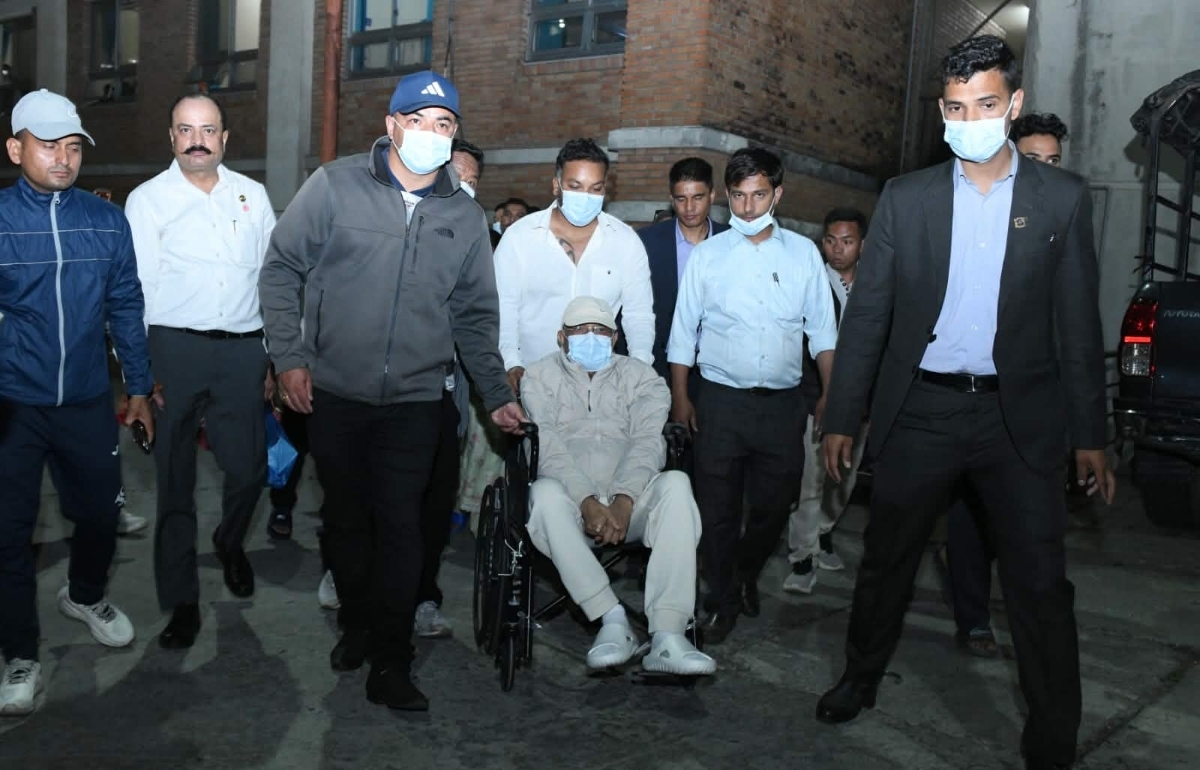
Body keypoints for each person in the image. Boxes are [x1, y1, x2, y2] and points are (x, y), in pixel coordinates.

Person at [816, 37, 1114, 770]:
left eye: (985, 105)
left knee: (1040, 583)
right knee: (887, 559)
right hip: (924, 409)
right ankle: (860, 676)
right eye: (954, 108)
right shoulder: (906, 197)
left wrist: (1091, 434)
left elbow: (1078, 326)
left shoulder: (1061, 198)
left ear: (1013, 104)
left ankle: (1053, 733)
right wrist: (842, 417)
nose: (969, 120)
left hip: (1018, 419)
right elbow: (869, 317)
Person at [259, 69, 525, 712]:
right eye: (418, 120)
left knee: (403, 528)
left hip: (415, 399)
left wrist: (494, 393)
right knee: (347, 525)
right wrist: (290, 358)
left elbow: (474, 317)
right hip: (336, 393)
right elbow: (281, 268)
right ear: (391, 125)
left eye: (443, 124)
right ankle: (356, 624)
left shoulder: (464, 216)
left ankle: (392, 659)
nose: (431, 133)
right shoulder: (335, 186)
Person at [0, 89, 153, 715]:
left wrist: (138, 386)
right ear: (15, 150)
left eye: (72, 147)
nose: (62, 158)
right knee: (10, 535)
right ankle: (20, 654)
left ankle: (85, 594)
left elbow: (126, 306)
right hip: (12, 405)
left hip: (88, 400)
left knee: (98, 515)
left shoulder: (106, 221)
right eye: (47, 145)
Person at [124, 93, 276, 650]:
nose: (197, 140)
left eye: (208, 130)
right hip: (173, 352)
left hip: (242, 351)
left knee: (250, 470)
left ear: (224, 138)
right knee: (175, 483)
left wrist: (273, 356)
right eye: (185, 129)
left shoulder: (253, 195)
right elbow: (135, 291)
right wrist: (140, 376)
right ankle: (182, 601)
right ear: (171, 137)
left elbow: (272, 279)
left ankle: (229, 541)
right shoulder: (148, 200)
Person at [668, 147, 837, 645]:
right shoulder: (709, 256)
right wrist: (681, 397)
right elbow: (683, 332)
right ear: (727, 196)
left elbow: (823, 333)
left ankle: (743, 571)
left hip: (783, 406)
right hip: (720, 402)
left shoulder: (804, 254)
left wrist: (831, 394)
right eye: (739, 196)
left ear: (777, 194)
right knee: (716, 509)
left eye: (758, 195)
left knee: (776, 504)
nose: (747, 207)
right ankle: (722, 598)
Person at [521, 297, 715, 676]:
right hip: (569, 504)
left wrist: (624, 500)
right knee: (542, 496)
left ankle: (668, 635)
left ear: (614, 338)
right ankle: (611, 618)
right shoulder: (539, 377)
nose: (590, 337)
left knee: (677, 484)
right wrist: (586, 501)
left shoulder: (642, 378)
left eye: (600, 330)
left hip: (631, 500)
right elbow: (548, 447)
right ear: (561, 337)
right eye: (579, 330)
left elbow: (648, 442)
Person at [495, 138, 655, 396]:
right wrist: (511, 364)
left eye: (595, 188)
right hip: (532, 381)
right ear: (556, 185)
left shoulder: (625, 242)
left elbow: (639, 315)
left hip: (602, 386)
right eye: (575, 186)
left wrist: (639, 368)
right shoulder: (519, 238)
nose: (585, 197)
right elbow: (505, 309)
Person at [784, 207, 869, 594]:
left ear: (862, 245)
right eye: (831, 241)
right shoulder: (812, 282)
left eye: (847, 241)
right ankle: (802, 556)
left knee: (844, 478)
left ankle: (823, 533)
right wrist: (819, 395)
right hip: (816, 399)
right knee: (810, 480)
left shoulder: (874, 285)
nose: (838, 249)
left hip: (860, 403)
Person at [635, 157, 729, 388]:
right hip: (659, 368)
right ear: (671, 199)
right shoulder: (646, 242)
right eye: (681, 199)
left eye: (697, 197)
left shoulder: (732, 243)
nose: (688, 208)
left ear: (712, 196)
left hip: (719, 370)